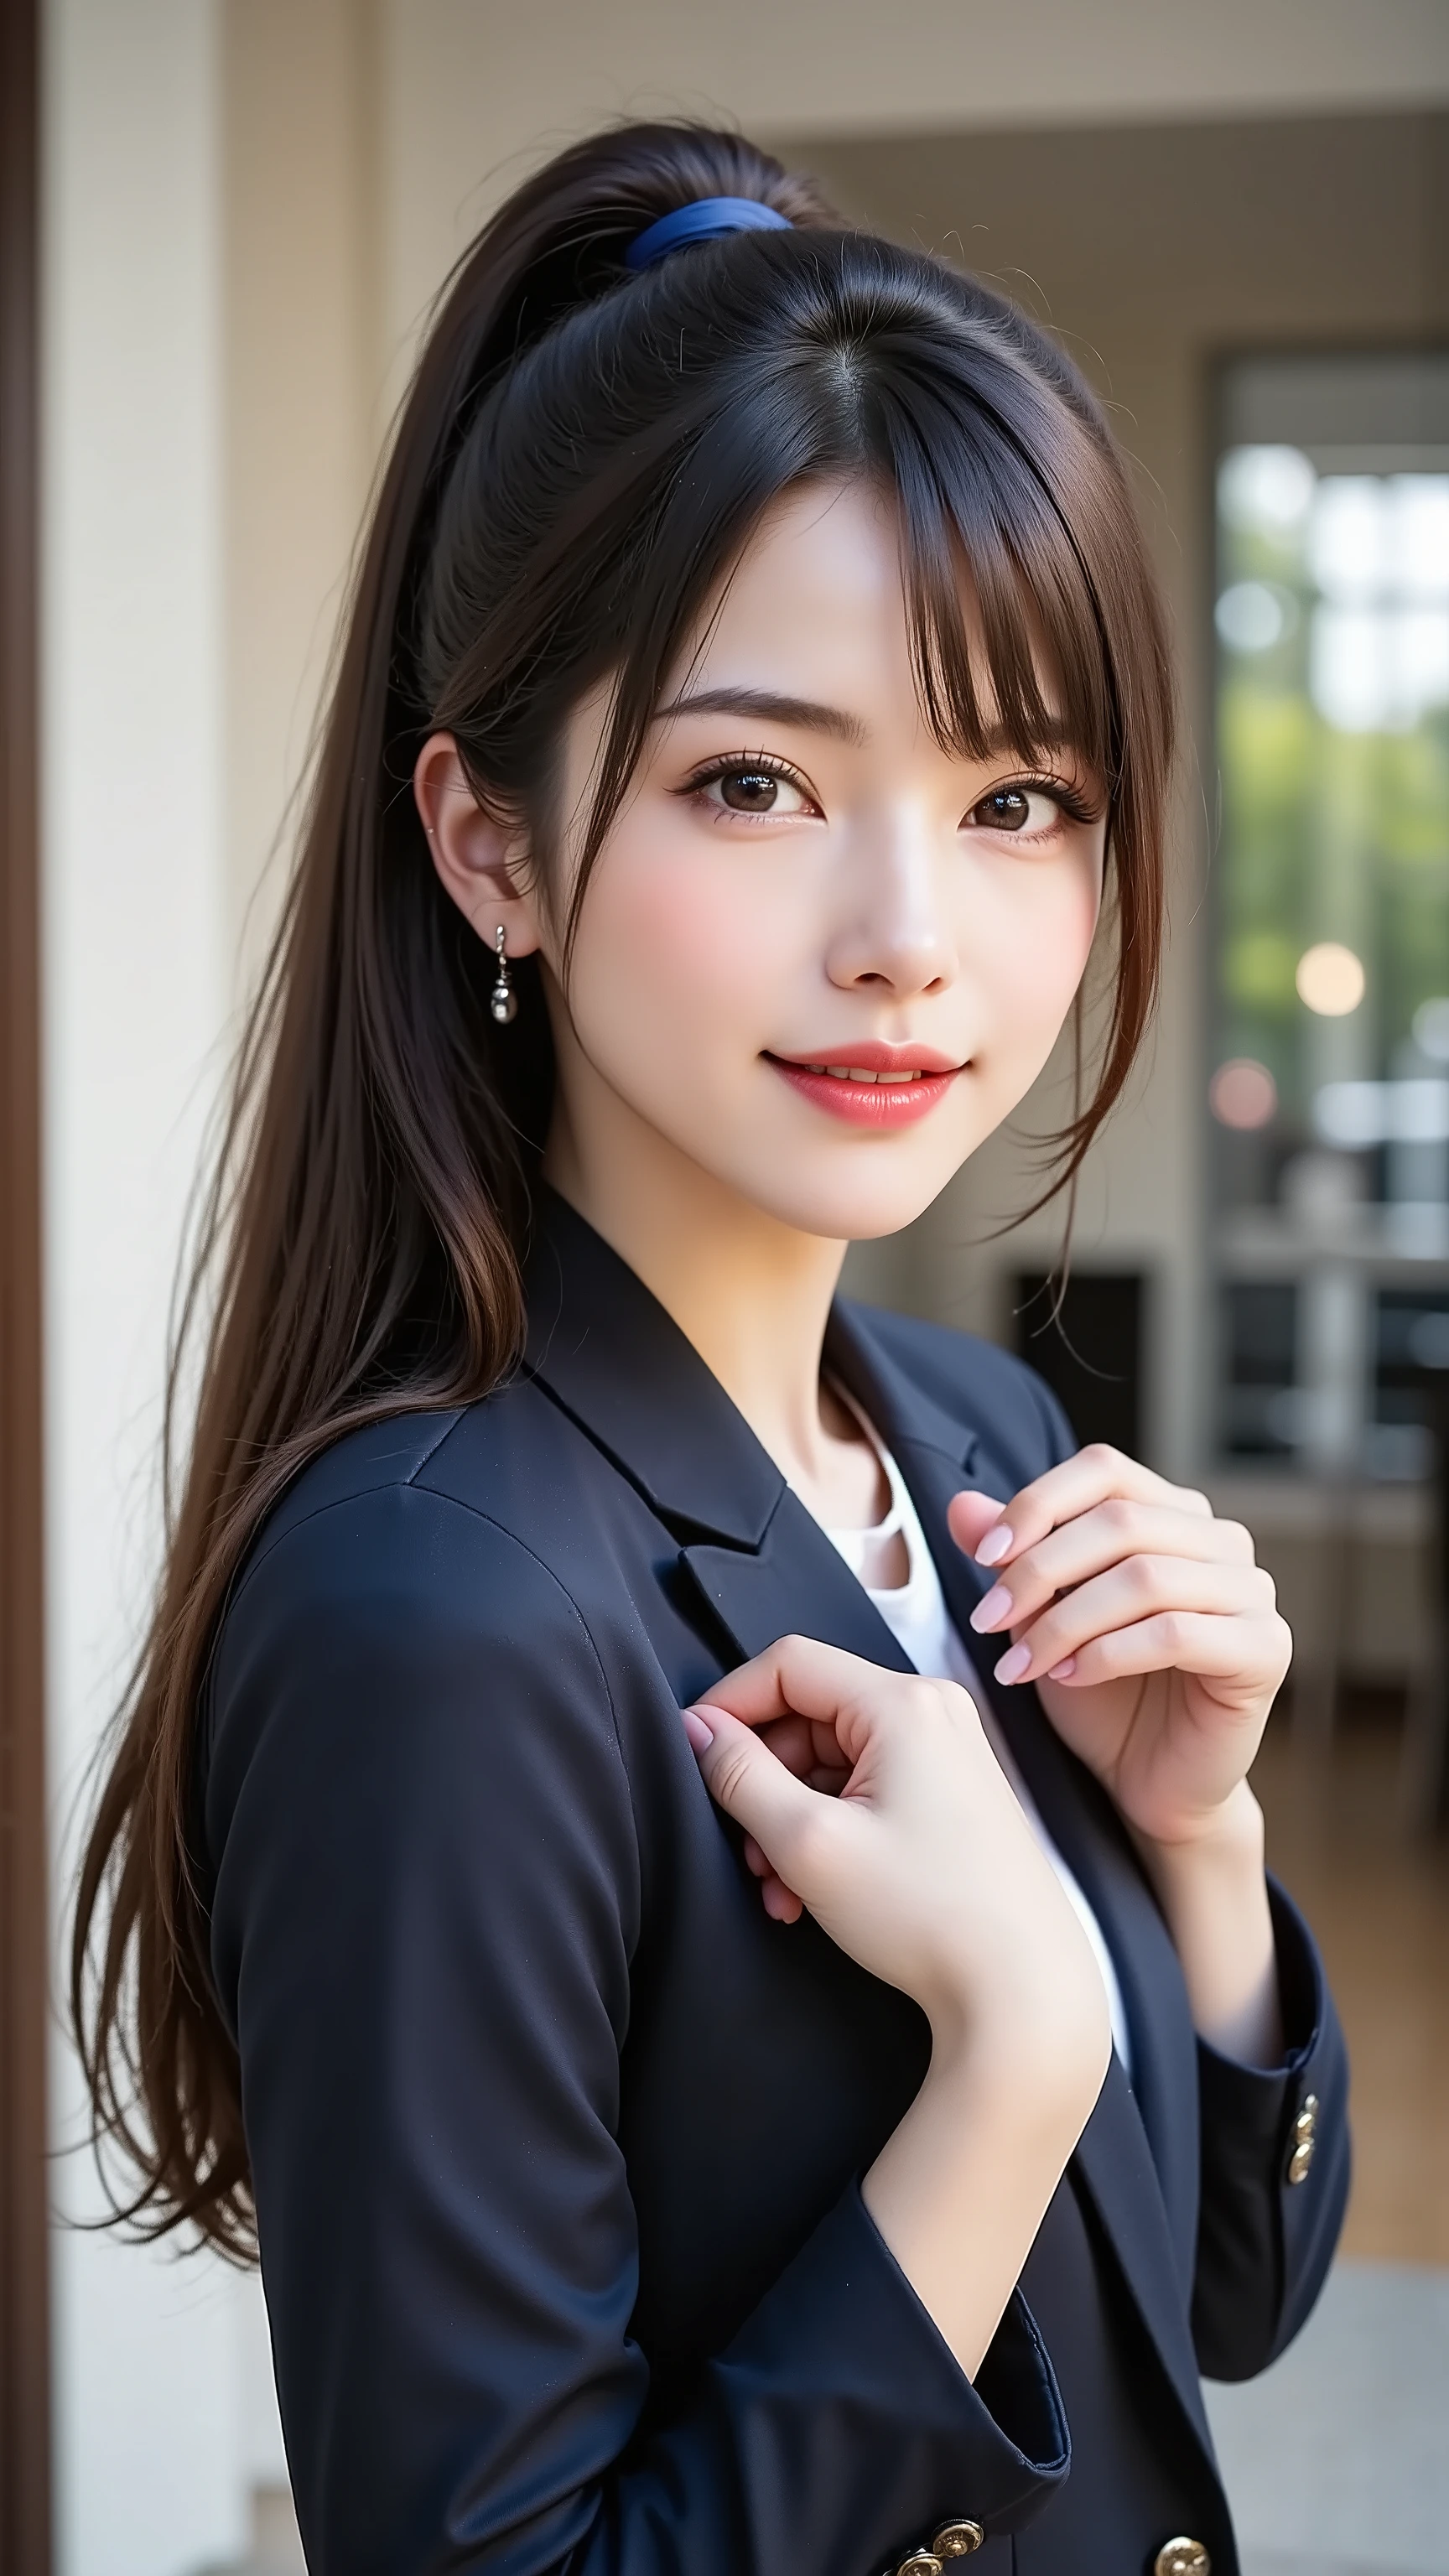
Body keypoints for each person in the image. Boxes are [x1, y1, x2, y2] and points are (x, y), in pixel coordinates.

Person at [72, 122, 1348, 2576]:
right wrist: (1001, 2063)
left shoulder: (974, 1434)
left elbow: (1228, 2297)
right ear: (493, 845)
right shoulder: (432, 1616)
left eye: (1019, 797)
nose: (910, 936)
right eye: (753, 780)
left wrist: (1195, 1850)